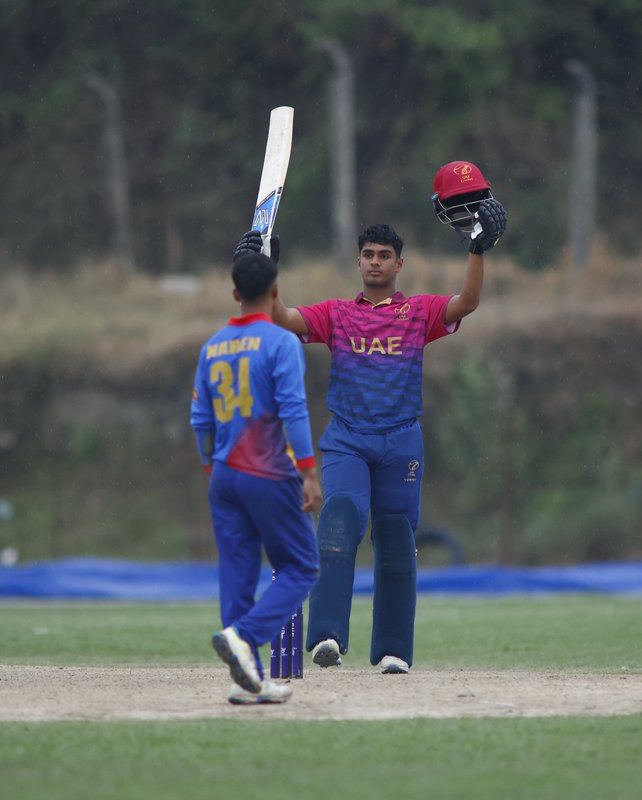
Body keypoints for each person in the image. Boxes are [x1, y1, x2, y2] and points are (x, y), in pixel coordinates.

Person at [233, 160, 507, 674]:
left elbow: (468, 301)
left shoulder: (419, 311)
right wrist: (259, 277)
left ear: (399, 265)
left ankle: (393, 651)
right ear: (358, 262)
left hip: (401, 440)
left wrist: (476, 247)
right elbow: (283, 317)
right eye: (367, 255)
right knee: (338, 520)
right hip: (348, 441)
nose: (375, 262)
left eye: (384, 256)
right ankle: (328, 637)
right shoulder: (336, 313)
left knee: (398, 540)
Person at [190, 251, 323, 705]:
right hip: (266, 471)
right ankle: (245, 639)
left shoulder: (212, 346)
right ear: (275, 292)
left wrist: (213, 471)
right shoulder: (280, 343)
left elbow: (200, 420)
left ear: (233, 293)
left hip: (224, 475)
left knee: (237, 572)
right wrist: (308, 472)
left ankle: (245, 679)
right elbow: (294, 411)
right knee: (302, 565)